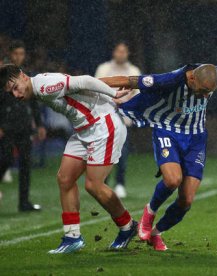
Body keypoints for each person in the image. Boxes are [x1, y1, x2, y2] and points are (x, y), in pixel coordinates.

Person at [0, 64, 137, 253]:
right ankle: (72, 237)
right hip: (83, 129)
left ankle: (128, 227)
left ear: (23, 76)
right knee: (65, 179)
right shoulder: (37, 88)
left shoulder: (43, 86)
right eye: (11, 92)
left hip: (103, 126)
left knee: (94, 185)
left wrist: (113, 95)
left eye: (15, 87)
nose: (16, 95)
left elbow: (85, 80)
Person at [100, 64, 217, 251]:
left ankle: (156, 233)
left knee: (186, 200)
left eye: (209, 92)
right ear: (193, 79)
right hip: (167, 131)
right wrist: (84, 84)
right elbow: (129, 80)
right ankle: (150, 212)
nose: (205, 96)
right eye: (203, 91)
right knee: (172, 180)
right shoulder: (171, 80)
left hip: (196, 138)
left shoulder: (215, 74)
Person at [0, 40, 46, 212]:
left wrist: (39, 124)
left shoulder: (26, 75)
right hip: (6, 126)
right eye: (16, 53)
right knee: (6, 159)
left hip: (24, 125)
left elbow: (33, 101)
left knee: (26, 163)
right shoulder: (3, 76)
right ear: (10, 55)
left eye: (21, 53)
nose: (19, 56)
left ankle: (24, 202)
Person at [95, 42, 142, 198]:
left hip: (124, 118)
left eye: (124, 51)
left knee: (122, 153)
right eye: (118, 51)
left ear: (127, 53)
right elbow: (95, 89)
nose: (121, 54)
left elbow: (138, 94)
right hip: (105, 117)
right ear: (114, 52)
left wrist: (132, 111)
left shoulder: (133, 71)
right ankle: (103, 184)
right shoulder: (104, 69)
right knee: (104, 152)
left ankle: (120, 183)